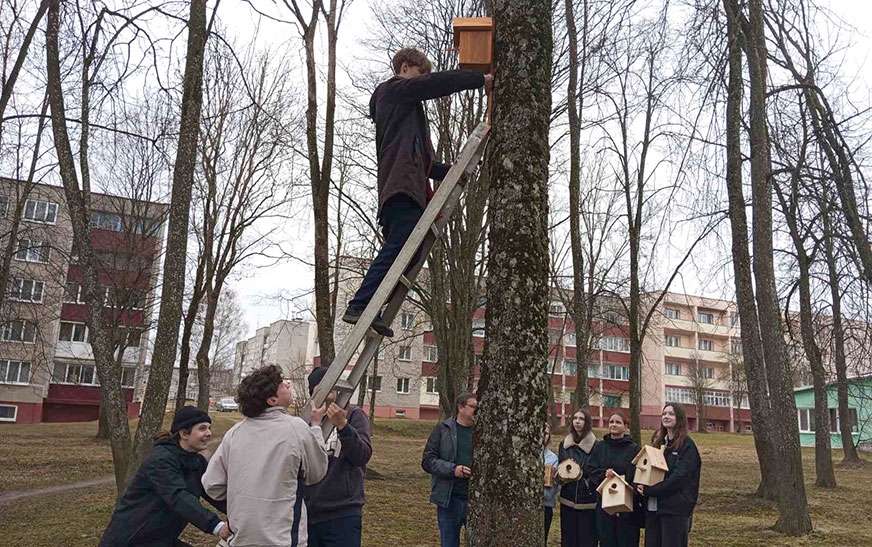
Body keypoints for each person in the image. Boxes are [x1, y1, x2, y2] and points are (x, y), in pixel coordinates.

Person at [342, 47, 494, 337]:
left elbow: (426, 165)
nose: (423, 79)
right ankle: (360, 305)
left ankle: (370, 308)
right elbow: (435, 84)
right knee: (398, 246)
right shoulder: (393, 91)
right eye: (420, 73)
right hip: (401, 188)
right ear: (405, 67)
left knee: (408, 255)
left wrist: (456, 170)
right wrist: (479, 80)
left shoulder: (405, 116)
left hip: (405, 185)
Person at [202, 365, 329, 546]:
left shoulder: (235, 432)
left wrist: (244, 501)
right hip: (282, 539)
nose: (287, 384)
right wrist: (316, 427)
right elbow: (317, 472)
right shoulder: (296, 428)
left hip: (241, 537)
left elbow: (212, 484)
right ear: (272, 400)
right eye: (281, 384)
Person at [100, 406, 231, 546]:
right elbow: (177, 496)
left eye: (209, 428)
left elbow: (214, 491)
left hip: (159, 538)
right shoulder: (161, 460)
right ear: (184, 433)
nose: (209, 433)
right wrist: (216, 526)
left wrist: (242, 512)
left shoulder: (197, 462)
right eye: (202, 428)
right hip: (130, 540)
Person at [302, 366, 373, 547]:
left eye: (333, 382)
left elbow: (362, 456)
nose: (330, 386)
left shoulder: (354, 415)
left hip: (343, 512)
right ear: (313, 390)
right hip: (308, 512)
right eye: (323, 382)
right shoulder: (304, 421)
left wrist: (343, 426)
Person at [635, 404, 701, 547]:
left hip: (675, 510)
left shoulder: (687, 445)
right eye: (664, 414)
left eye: (671, 414)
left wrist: (652, 490)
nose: (666, 416)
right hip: (653, 509)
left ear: (679, 418)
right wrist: (642, 487)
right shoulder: (659, 444)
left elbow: (679, 478)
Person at [422, 392, 477, 547]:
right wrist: (453, 470)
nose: (477, 411)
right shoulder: (442, 429)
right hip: (449, 499)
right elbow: (428, 461)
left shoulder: (484, 433)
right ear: (461, 407)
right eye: (473, 407)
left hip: (476, 500)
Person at [588, 413, 641, 547]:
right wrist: (603, 474)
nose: (614, 425)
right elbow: (591, 470)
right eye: (611, 422)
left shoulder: (633, 448)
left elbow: (637, 474)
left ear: (625, 426)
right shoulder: (600, 447)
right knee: (607, 540)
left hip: (627, 505)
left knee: (626, 540)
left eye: (618, 422)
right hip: (605, 503)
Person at [558, 408, 599, 547]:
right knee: (568, 539)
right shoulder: (564, 445)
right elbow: (560, 466)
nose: (577, 421)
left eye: (581, 419)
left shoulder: (596, 446)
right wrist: (561, 477)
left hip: (587, 502)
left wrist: (586, 485)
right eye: (575, 418)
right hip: (567, 500)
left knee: (586, 540)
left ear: (587, 422)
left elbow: (598, 472)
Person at [543, 422, 559, 546]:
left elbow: (552, 491)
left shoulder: (552, 458)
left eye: (546, 433)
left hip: (545, 506)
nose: (543, 436)